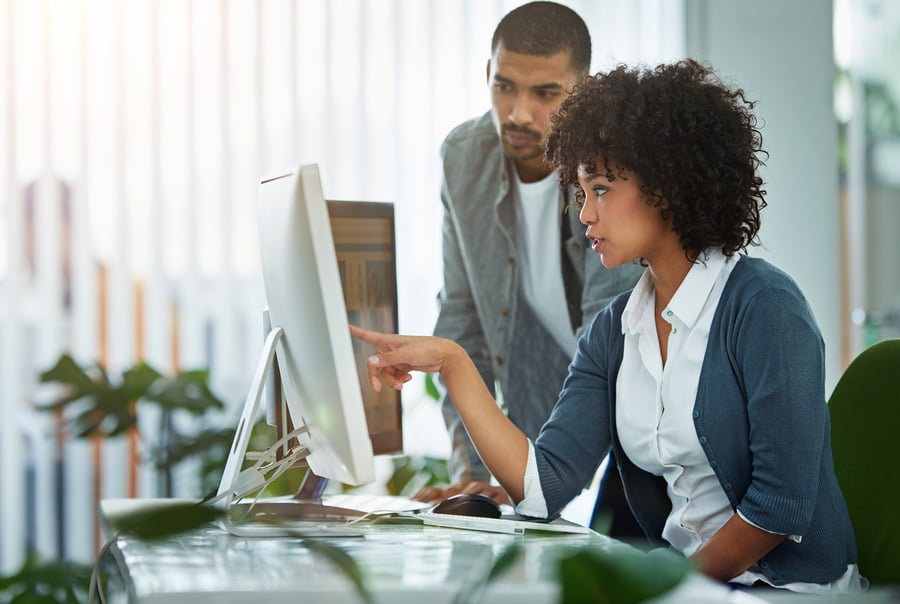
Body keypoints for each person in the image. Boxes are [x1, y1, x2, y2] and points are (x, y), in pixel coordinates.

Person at [352, 59, 865, 591]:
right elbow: (543, 487)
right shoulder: (614, 331)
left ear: (668, 184)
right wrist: (453, 363)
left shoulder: (764, 307)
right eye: (580, 192)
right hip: (694, 591)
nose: (585, 215)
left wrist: (664, 589)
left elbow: (779, 506)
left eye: (601, 189)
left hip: (789, 592)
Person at [424, 0, 642, 516]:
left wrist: (544, 477)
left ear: (583, 91)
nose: (519, 114)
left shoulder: (615, 170)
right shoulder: (464, 157)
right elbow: (463, 324)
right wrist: (477, 476)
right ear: (488, 74)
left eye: (545, 93)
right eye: (504, 86)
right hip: (545, 417)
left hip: (636, 412)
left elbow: (608, 341)